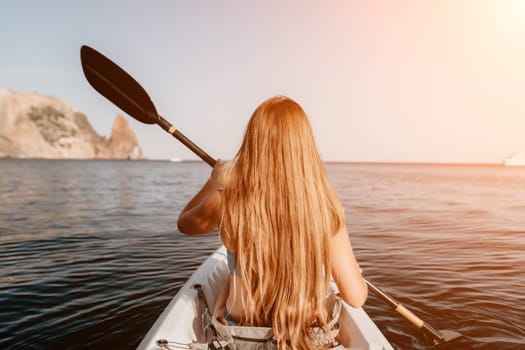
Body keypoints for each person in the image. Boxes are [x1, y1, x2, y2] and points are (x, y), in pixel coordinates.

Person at [177, 96, 367, 350]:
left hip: (241, 334)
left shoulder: (231, 199)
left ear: (253, 144)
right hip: (306, 336)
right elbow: (356, 298)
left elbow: (185, 222)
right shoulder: (326, 209)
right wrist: (360, 279)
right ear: (305, 147)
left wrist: (216, 182)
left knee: (231, 278)